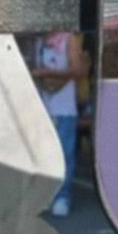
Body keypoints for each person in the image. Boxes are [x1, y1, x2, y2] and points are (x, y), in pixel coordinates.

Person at [31, 31, 89, 217]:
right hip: (42, 108)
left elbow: (79, 70)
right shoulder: (39, 40)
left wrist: (48, 73)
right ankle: (47, 196)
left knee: (64, 154)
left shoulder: (69, 38)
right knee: (43, 155)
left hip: (64, 108)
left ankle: (63, 196)